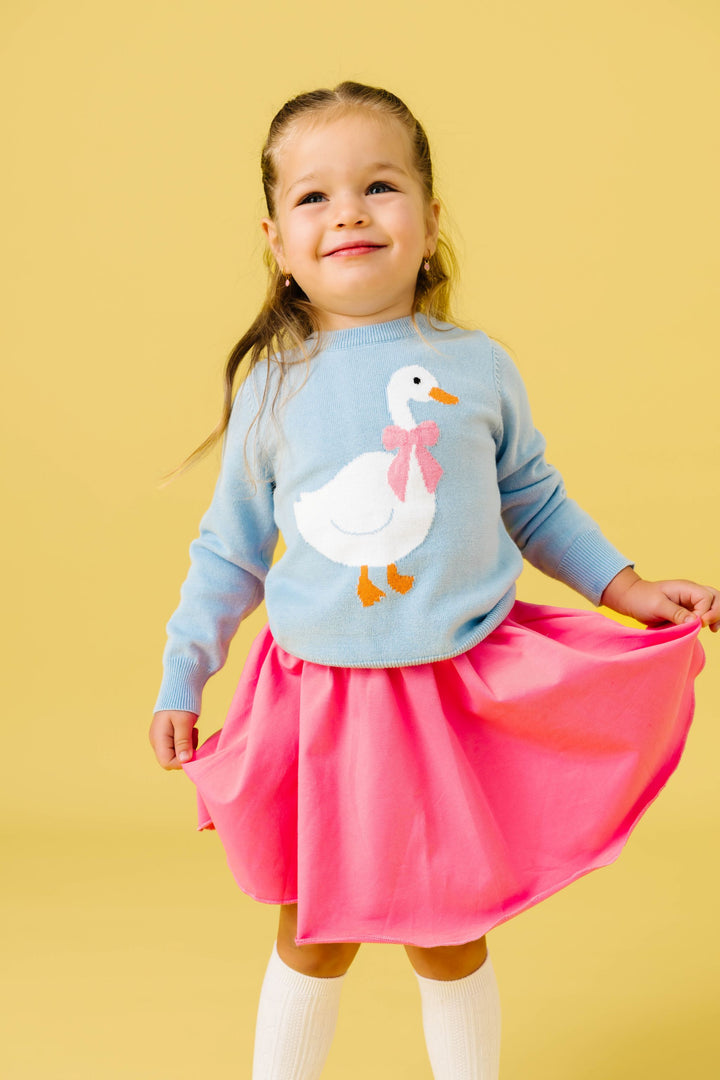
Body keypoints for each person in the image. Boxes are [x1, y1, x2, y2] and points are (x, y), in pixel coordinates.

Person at [149, 81, 718, 1080]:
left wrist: (626, 589)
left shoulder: (477, 366)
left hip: (453, 694)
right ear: (278, 241)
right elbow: (229, 549)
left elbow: (534, 502)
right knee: (313, 924)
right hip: (320, 698)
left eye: (380, 185)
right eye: (315, 198)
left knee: (450, 927)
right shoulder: (275, 387)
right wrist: (182, 674)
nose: (352, 213)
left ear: (430, 221)